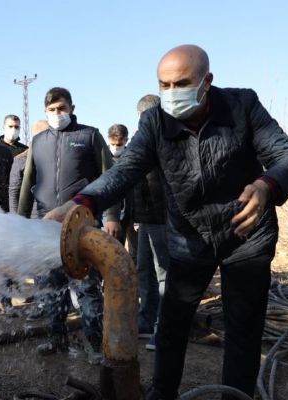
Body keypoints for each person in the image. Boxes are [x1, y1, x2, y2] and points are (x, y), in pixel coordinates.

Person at [44, 45, 288, 399]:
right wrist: (82, 202)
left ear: (207, 81)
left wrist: (267, 185)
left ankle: (235, 395)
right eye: (164, 85)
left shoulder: (243, 106)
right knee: (171, 327)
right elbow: (124, 171)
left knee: (243, 329)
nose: (171, 94)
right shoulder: (154, 121)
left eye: (182, 83)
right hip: (189, 242)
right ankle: (163, 393)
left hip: (247, 238)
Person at [17, 87, 121, 365]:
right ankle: (56, 338)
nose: (57, 114)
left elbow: (110, 177)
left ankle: (94, 343)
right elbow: (28, 183)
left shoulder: (89, 136)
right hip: (46, 225)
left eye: (62, 108)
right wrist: (20, 221)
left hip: (83, 225)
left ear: (72, 108)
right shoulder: (38, 141)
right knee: (52, 287)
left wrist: (111, 215)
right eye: (52, 110)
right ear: (45, 112)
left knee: (87, 288)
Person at [131, 94, 171, 350]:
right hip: (145, 219)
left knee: (163, 274)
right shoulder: (142, 140)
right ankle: (146, 319)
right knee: (143, 269)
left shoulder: (166, 139)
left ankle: (164, 328)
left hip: (162, 217)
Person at [107, 123, 137, 262]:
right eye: (113, 144)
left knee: (133, 247)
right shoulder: (103, 156)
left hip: (131, 207)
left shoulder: (133, 155)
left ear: (126, 140)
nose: (116, 148)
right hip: (109, 211)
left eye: (119, 144)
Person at [9, 120, 48, 214]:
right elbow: (14, 191)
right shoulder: (21, 160)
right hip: (32, 214)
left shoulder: (57, 156)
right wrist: (15, 219)